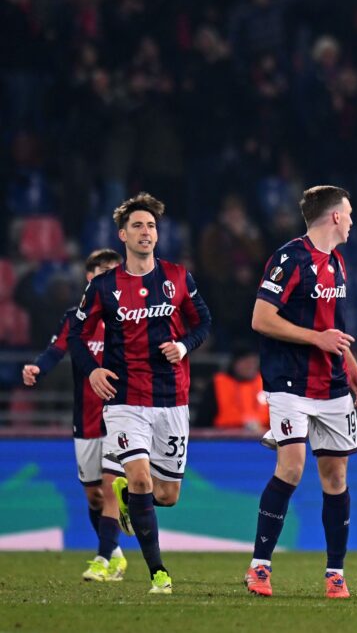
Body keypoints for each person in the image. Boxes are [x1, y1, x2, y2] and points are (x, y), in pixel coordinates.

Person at [67, 193, 212, 595]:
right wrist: (94, 369)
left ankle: (128, 499)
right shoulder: (103, 286)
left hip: (172, 398)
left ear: (157, 234)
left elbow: (203, 322)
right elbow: (76, 335)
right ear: (123, 235)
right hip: (125, 399)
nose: (145, 232)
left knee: (167, 494)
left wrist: (183, 345)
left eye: (150, 225)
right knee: (142, 478)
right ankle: (158, 573)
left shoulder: (178, 277)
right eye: (137, 226)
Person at [244, 185, 357, 599]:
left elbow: (333, 328)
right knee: (292, 467)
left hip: (332, 384)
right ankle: (259, 567)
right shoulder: (289, 259)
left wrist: (353, 369)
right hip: (289, 381)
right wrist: (316, 339)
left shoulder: (337, 262)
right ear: (335, 216)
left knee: (336, 476)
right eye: (348, 213)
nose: (352, 220)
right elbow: (261, 318)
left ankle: (335, 573)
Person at [22, 248, 127, 582]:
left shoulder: (130, 317)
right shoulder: (75, 318)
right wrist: (37, 368)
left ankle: (102, 559)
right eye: (102, 272)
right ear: (89, 277)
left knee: (109, 489)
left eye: (114, 272)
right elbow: (56, 351)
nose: (108, 278)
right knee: (94, 496)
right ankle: (116, 555)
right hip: (86, 417)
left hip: (121, 414)